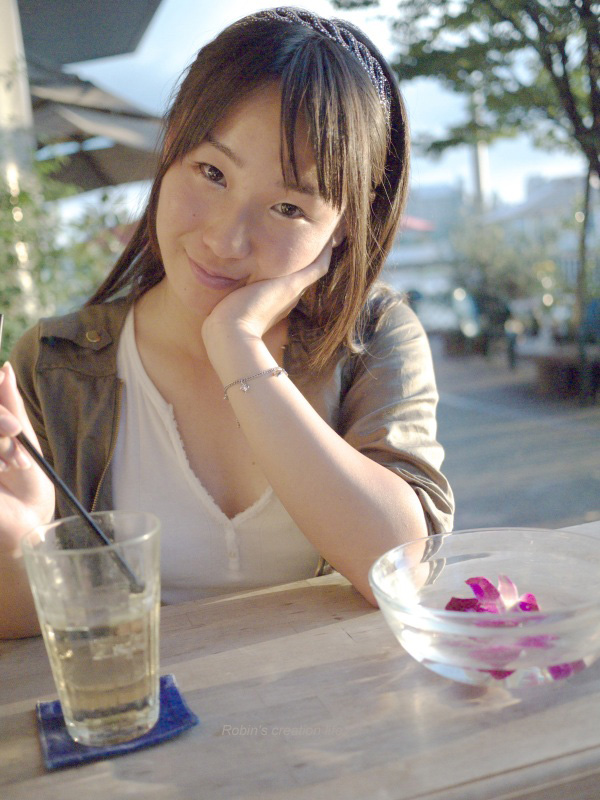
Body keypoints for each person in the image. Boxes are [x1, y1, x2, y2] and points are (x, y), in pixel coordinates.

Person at [0, 7, 454, 639]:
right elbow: (27, 634)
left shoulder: (373, 336)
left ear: (345, 227)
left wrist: (237, 346)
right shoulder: (55, 363)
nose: (225, 240)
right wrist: (16, 543)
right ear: (171, 152)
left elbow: (401, 566)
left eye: (288, 207)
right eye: (211, 172)